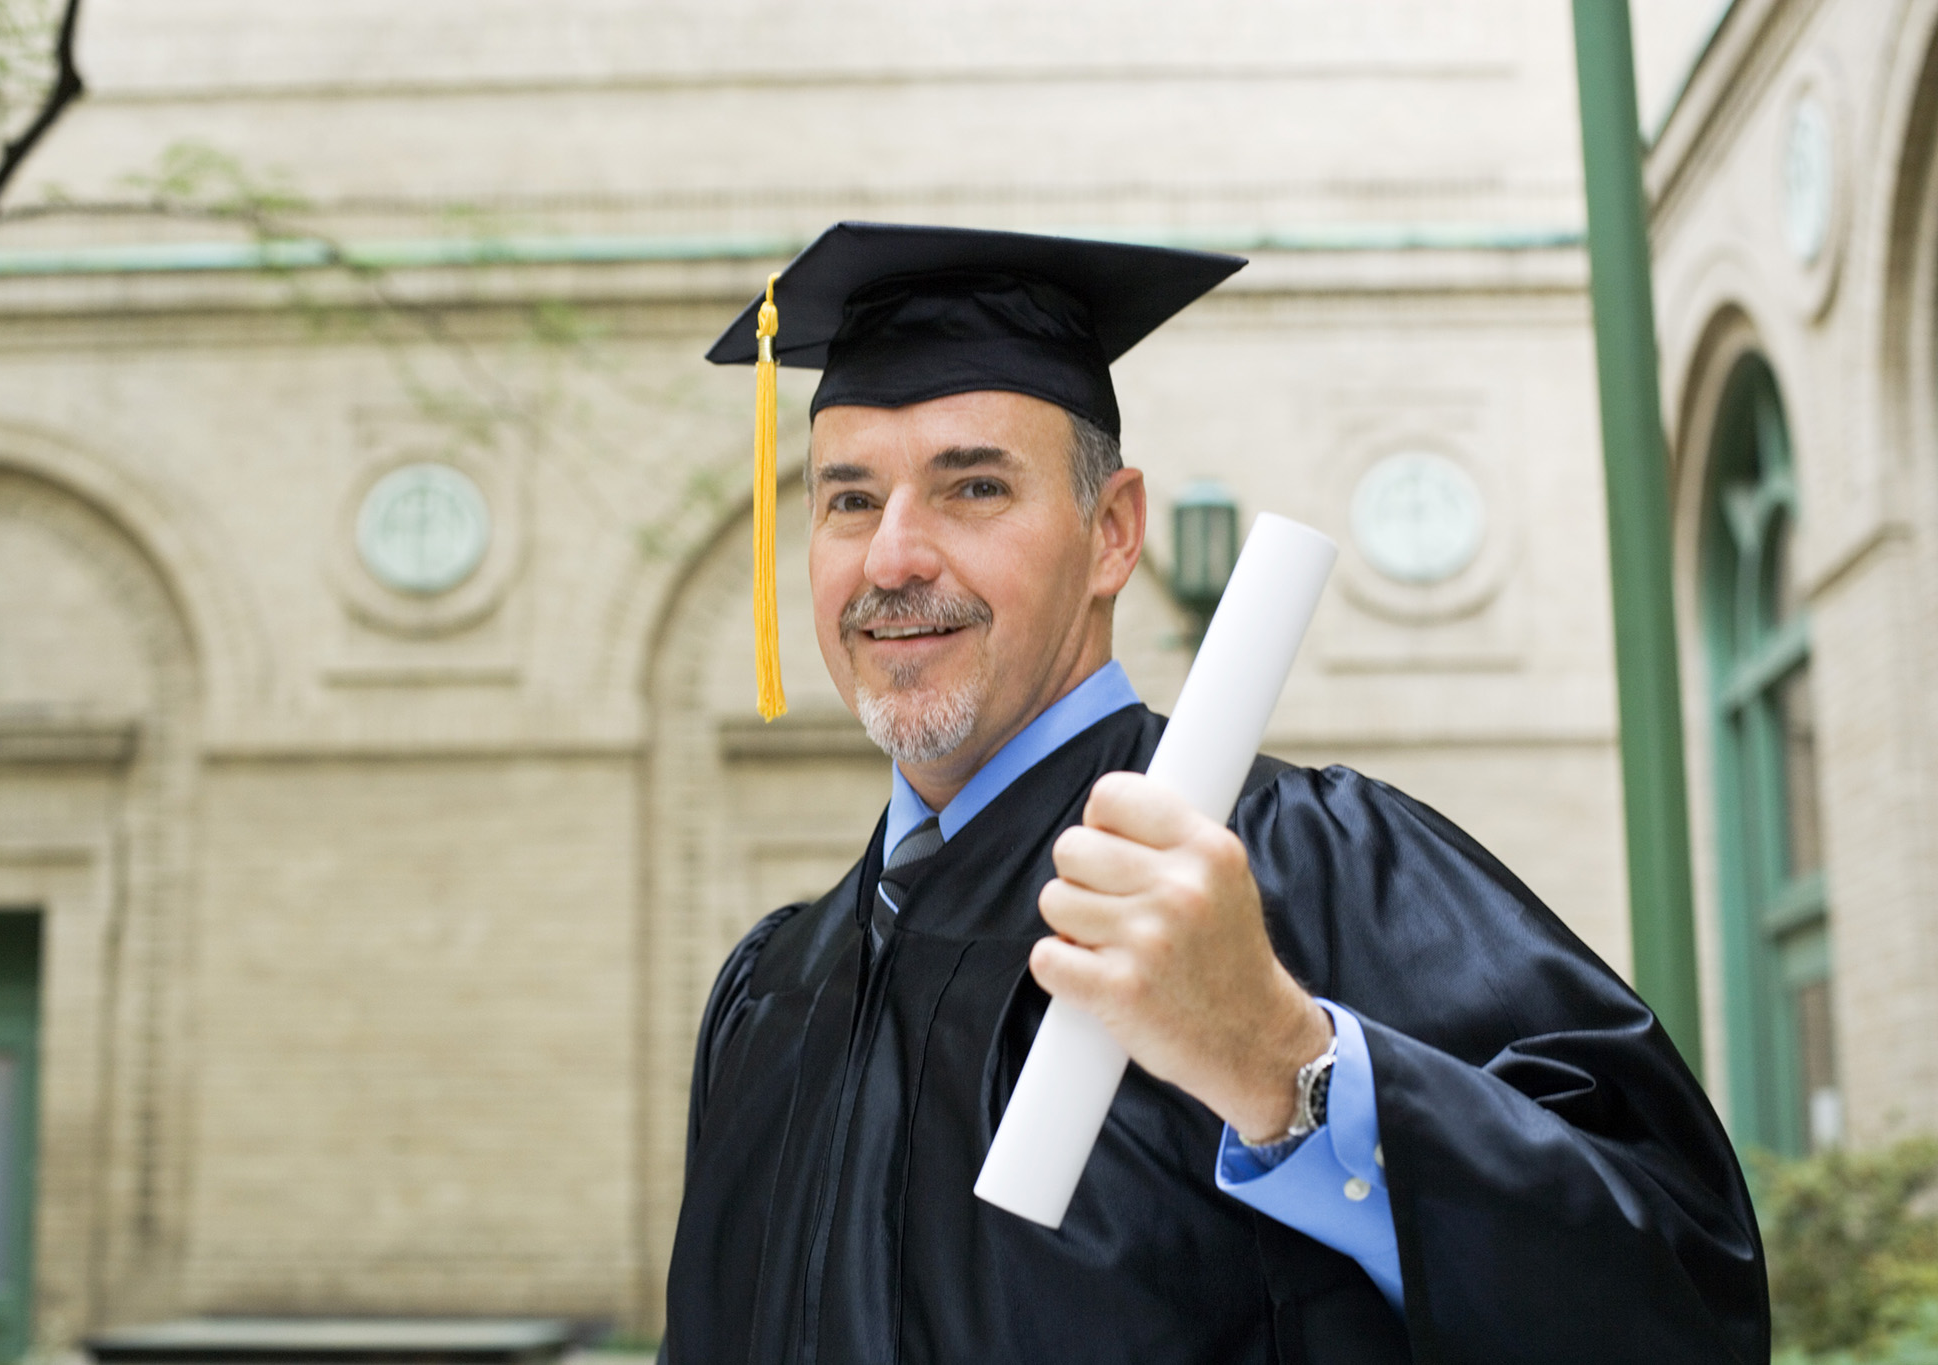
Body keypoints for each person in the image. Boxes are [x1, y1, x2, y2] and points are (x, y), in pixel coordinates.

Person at [661, 222, 1768, 1364]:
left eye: (973, 487)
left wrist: (1289, 1065)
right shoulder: (773, 990)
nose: (891, 557)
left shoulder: (1305, 869)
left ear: (1111, 534)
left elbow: (1680, 1303)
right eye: (849, 500)